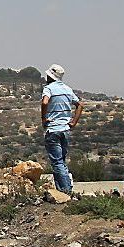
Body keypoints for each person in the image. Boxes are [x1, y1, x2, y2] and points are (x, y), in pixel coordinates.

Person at [41, 64, 82, 195]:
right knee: (61, 161)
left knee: (57, 162)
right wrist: (74, 121)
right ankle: (63, 190)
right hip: (65, 130)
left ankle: (66, 191)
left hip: (53, 130)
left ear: (51, 76)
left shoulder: (48, 89)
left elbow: (45, 102)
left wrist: (44, 118)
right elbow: (80, 104)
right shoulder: (67, 89)